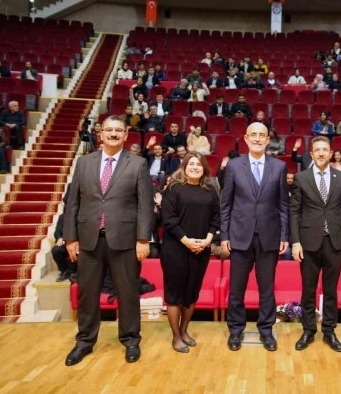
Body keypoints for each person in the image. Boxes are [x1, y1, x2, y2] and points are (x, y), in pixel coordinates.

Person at [62, 116, 153, 366]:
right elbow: (73, 203)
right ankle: (84, 342)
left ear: (126, 135)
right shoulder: (84, 163)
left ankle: (131, 340)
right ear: (100, 134)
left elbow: (145, 205)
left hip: (125, 241)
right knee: (87, 295)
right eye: (108, 130)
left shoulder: (137, 163)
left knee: (128, 293)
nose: (113, 134)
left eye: (118, 130)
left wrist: (143, 239)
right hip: (89, 239)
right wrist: (70, 237)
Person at [220, 122, 289, 352]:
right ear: (245, 139)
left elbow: (283, 205)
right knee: (237, 289)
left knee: (266, 289)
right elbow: (226, 203)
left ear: (268, 140)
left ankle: (266, 331)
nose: (258, 139)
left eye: (262, 135)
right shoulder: (234, 166)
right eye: (254, 135)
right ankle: (235, 331)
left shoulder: (279, 167)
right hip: (240, 236)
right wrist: (225, 234)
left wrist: (284, 235)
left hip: (269, 237)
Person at [289, 136, 341, 352]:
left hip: (335, 241)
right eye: (317, 149)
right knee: (308, 290)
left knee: (331, 290)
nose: (321, 153)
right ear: (311, 153)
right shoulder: (301, 177)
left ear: (330, 152)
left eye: (324, 149)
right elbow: (294, 211)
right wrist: (296, 242)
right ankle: (308, 330)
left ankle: (329, 331)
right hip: (308, 242)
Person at [161, 152, 220, 352]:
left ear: (204, 168)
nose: (195, 167)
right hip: (176, 249)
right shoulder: (173, 188)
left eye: (198, 164)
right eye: (191, 164)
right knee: (175, 294)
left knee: (191, 294)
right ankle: (176, 336)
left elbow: (215, 218)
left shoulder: (211, 190)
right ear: (184, 166)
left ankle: (184, 330)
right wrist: (186, 241)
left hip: (201, 249)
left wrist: (208, 240)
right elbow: (169, 220)